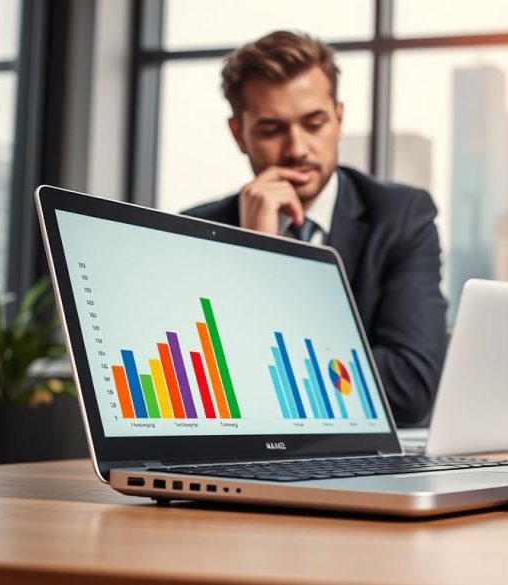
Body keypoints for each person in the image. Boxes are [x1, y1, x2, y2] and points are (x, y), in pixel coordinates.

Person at [183, 31, 447, 425]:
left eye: (314, 123)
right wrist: (253, 251)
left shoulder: (401, 215)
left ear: (339, 119)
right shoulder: (195, 231)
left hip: (372, 463)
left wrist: (267, 368)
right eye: (272, 129)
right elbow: (196, 389)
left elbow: (409, 387)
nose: (297, 148)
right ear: (239, 134)